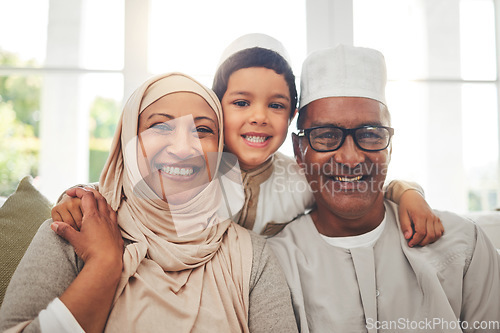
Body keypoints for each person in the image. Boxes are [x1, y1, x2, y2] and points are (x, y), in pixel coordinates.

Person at [52, 34, 443, 246]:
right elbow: (133, 189)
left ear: (292, 117)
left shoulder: (298, 177)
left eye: (276, 105)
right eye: (241, 102)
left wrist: (409, 193)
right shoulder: (192, 165)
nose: (258, 116)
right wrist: (82, 196)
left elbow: (358, 181)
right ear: (216, 109)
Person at [0, 72, 298, 332]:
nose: (183, 148)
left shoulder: (253, 256)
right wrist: (103, 265)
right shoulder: (73, 229)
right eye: (161, 126)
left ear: (219, 150)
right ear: (128, 141)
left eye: (203, 130)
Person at [268, 45, 500, 333]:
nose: (350, 158)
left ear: (390, 146)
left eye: (369, 134)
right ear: (299, 151)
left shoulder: (465, 244)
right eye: (326, 136)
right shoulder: (274, 263)